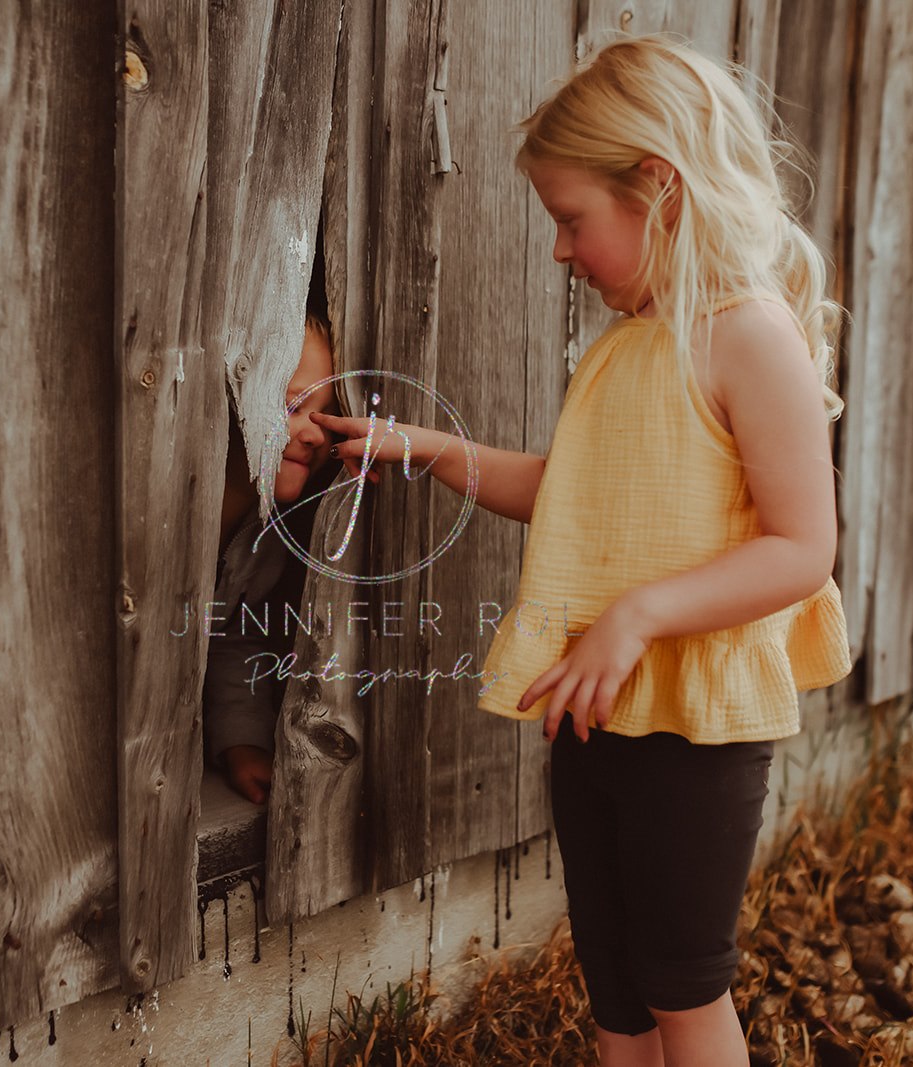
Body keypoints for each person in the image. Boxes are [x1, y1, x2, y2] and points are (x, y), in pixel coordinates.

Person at [311, 34, 851, 1067]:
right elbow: (572, 495)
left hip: (693, 724)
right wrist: (433, 449)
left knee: (683, 981)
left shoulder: (750, 338)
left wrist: (636, 613)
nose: (560, 250)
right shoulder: (623, 346)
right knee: (615, 983)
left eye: (572, 221)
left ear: (659, 187)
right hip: (596, 708)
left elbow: (801, 546)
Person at [205, 312, 345, 805]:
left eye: (327, 416)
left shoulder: (265, 536)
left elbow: (228, 636)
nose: (315, 435)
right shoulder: (158, 510)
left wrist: (239, 741)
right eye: (294, 405)